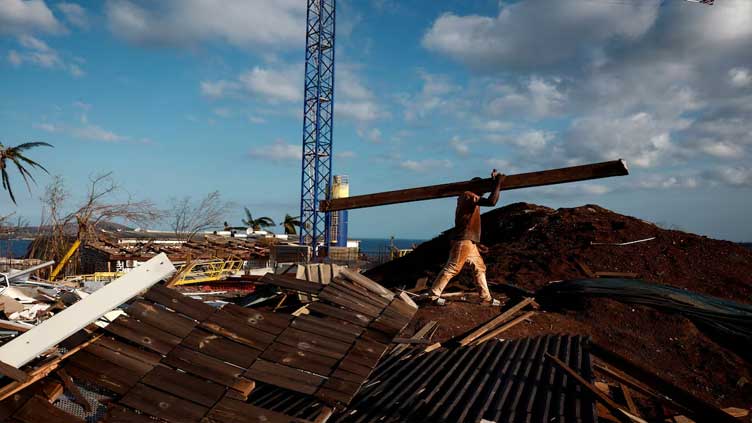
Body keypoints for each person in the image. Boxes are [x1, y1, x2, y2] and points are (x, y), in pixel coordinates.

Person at [429, 169, 505, 306]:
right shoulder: (467, 195)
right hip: (463, 240)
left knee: (479, 267)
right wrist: (498, 183)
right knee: (453, 267)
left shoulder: (470, 199)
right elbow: (492, 202)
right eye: (482, 187)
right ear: (476, 187)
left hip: (468, 241)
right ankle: (433, 295)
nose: (484, 191)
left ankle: (485, 298)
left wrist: (475, 242)